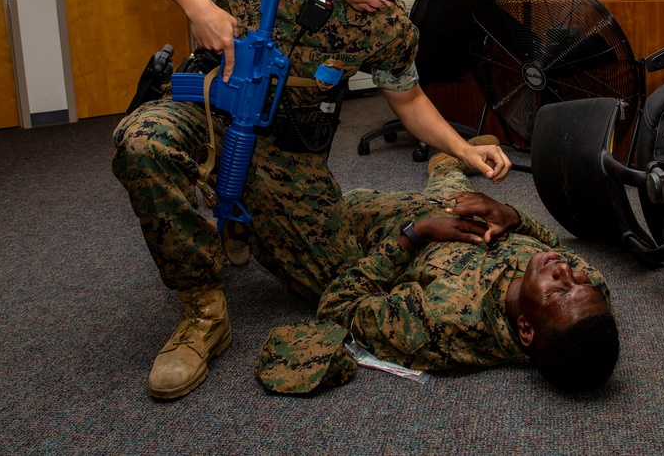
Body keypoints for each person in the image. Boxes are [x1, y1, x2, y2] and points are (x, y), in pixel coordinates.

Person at [113, 0, 512, 400]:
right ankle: (203, 309)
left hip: (286, 150)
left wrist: (463, 150)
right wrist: (199, 7)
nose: (389, 0)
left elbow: (409, 99)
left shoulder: (388, 26)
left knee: (339, 289)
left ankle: (245, 214)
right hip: (214, 108)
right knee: (142, 141)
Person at [257, 137, 620, 394]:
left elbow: (339, 306)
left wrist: (415, 234)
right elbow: (551, 244)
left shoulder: (439, 326)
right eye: (579, 281)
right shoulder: (589, 296)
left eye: (559, 289)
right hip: (451, 207)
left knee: (294, 201)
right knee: (457, 190)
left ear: (526, 330)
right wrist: (510, 214)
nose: (565, 271)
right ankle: (448, 165)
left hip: (386, 226)